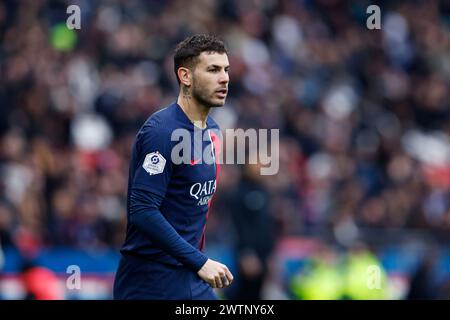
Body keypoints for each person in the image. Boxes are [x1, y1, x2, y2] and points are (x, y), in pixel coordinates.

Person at [113, 34, 233, 300]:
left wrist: (195, 261)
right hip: (151, 282)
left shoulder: (212, 131)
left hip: (191, 276)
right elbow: (142, 211)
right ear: (185, 76)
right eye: (213, 70)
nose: (224, 78)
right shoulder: (162, 132)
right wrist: (199, 261)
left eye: (226, 70)